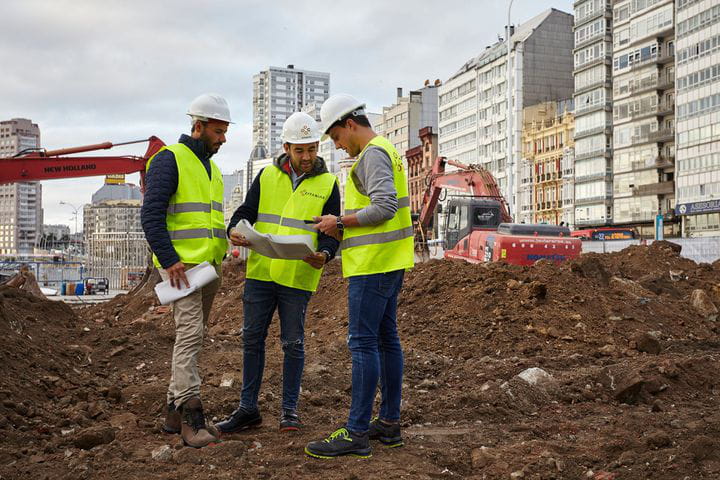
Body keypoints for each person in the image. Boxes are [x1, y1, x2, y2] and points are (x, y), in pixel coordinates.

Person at [215, 111, 340, 434]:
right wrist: (234, 230)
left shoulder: (328, 183)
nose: (307, 157)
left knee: (293, 343)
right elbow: (246, 212)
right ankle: (248, 410)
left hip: (298, 276)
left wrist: (325, 254)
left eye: (312, 149)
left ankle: (289, 411)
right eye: (300, 151)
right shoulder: (267, 177)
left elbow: (333, 231)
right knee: (253, 339)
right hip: (261, 273)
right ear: (286, 147)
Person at [305, 94, 414, 459]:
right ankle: (388, 423)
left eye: (336, 137)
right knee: (386, 340)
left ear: (350, 124)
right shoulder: (387, 150)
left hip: (373, 265)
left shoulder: (373, 154)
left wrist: (339, 222)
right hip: (387, 260)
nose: (337, 145)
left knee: (363, 344)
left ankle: (355, 432)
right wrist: (344, 228)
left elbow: (383, 207)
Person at [141, 93, 231, 448]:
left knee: (193, 338)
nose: (223, 138)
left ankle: (172, 414)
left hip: (207, 269)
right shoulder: (169, 160)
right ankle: (192, 419)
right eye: (218, 131)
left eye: (225, 132)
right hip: (181, 269)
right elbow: (150, 215)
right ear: (198, 126)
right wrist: (168, 258)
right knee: (190, 337)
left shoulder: (212, 169)